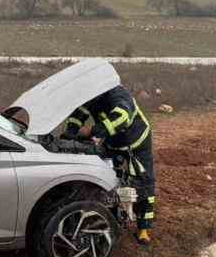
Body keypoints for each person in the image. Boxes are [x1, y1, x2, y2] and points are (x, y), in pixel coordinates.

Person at [63, 84, 156, 244]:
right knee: (106, 176)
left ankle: (143, 229)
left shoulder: (118, 95)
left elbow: (121, 118)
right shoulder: (93, 95)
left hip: (137, 142)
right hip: (112, 142)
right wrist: (70, 132)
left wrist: (91, 131)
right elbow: (79, 114)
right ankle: (110, 214)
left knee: (144, 183)